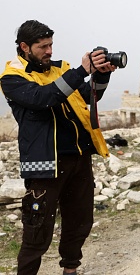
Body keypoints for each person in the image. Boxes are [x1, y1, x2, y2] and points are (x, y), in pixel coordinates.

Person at [0, 20, 116, 275]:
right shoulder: (12, 77)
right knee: (37, 228)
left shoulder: (60, 68)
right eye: (43, 47)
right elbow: (44, 98)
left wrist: (102, 73)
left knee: (79, 221)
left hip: (79, 158)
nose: (50, 51)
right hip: (44, 164)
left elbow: (88, 96)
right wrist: (79, 71)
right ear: (24, 47)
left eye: (51, 45)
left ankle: (70, 269)